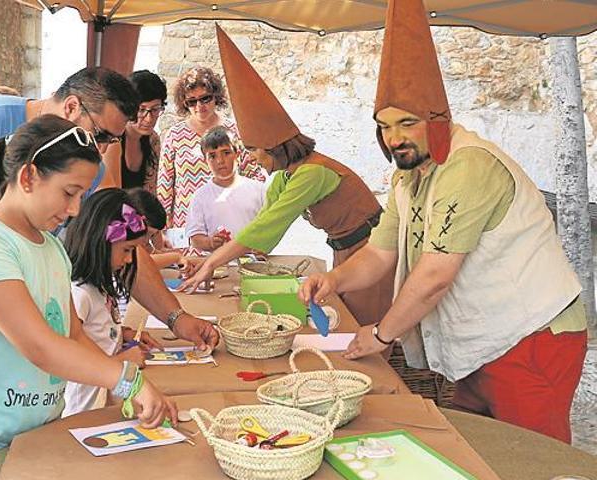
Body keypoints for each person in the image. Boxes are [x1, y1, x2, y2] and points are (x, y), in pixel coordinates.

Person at [299, 0, 587, 443]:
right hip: (482, 344)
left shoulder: (468, 165)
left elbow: (435, 275)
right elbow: (379, 252)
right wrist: (334, 281)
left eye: (406, 123)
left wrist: (381, 333)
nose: (394, 138)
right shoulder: (408, 176)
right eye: (385, 126)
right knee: (481, 452)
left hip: (532, 338)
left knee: (531, 462)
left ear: (437, 120)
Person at [0, 68, 219, 397]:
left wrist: (175, 318)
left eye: (113, 141)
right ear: (72, 107)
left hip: (28, 311)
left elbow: (121, 237)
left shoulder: (86, 173)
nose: (105, 148)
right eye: (102, 135)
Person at [0, 115, 177, 468]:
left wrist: (122, 384)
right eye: (69, 192)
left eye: (81, 195)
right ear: (29, 176)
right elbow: (40, 346)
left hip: (39, 432)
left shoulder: (51, 247)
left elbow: (73, 334)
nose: (75, 209)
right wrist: (127, 379)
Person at [181, 26, 393, 328]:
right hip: (345, 249)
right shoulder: (284, 176)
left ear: (274, 146)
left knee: (363, 326)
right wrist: (209, 261)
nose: (250, 157)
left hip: (370, 250)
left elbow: (268, 226)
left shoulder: (312, 174)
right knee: (348, 322)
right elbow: (260, 229)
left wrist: (212, 262)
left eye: (254, 150)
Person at [61, 189, 164, 417]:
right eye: (126, 250)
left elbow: (93, 332)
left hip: (104, 403)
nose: (129, 259)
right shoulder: (79, 294)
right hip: (83, 413)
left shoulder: (98, 288)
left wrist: (121, 334)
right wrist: (121, 362)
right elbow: (68, 356)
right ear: (100, 243)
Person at [156, 66, 263, 231]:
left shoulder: (236, 132)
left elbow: (255, 177)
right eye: (192, 101)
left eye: (205, 98)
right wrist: (162, 225)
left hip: (231, 223)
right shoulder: (175, 135)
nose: (199, 106)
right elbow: (165, 185)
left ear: (216, 97)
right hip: (188, 228)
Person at [186, 126, 266, 252]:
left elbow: (269, 226)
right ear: (205, 160)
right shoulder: (200, 196)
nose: (220, 161)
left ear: (238, 155)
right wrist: (210, 242)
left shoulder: (259, 190)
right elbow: (195, 238)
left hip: (254, 264)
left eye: (226, 153)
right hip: (219, 267)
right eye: (212, 156)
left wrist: (261, 247)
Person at [102, 70, 166, 192]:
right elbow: (111, 194)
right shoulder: (112, 141)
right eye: (141, 110)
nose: (149, 119)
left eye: (155, 109)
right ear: (128, 107)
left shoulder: (153, 140)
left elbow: (150, 190)